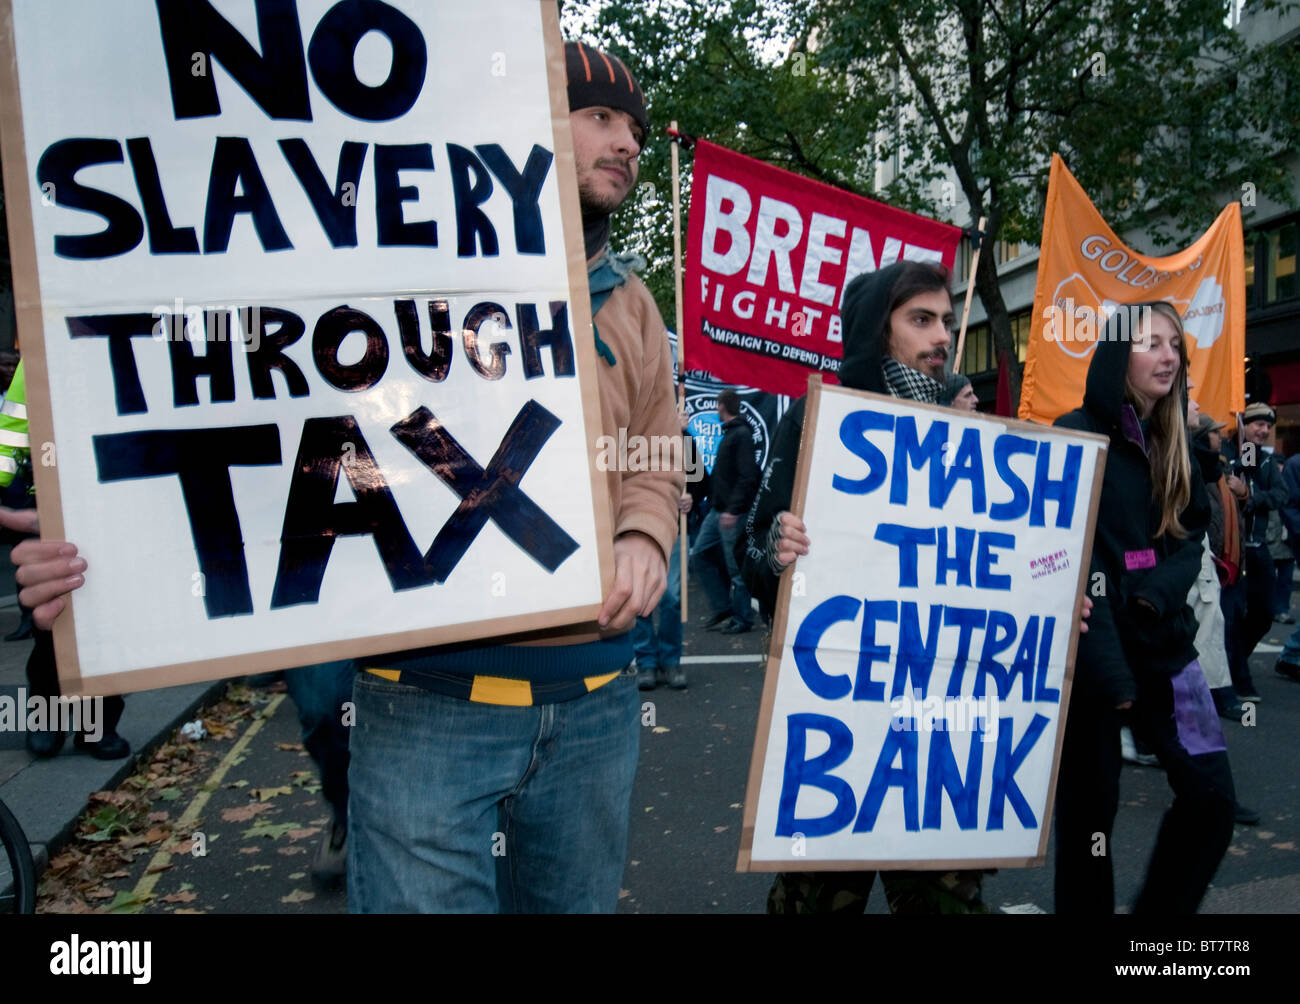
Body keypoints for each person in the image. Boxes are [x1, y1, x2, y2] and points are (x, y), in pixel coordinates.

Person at [10, 40, 683, 914]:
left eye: (632, 124)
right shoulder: (379, 284)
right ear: (518, 123)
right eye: (598, 116)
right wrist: (108, 569)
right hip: (424, 710)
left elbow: (657, 455)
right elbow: (264, 430)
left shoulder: (632, 300)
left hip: (596, 706)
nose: (626, 141)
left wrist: (644, 532)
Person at [740, 259, 998, 915]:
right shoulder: (817, 418)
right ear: (874, 330)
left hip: (940, 722)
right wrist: (778, 551)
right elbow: (751, 551)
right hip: (840, 720)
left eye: (945, 319)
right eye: (921, 319)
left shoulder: (974, 431)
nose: (942, 334)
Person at [1053, 301, 1234, 915]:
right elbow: (1075, 563)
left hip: (1169, 651)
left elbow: (1191, 537)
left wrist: (1156, 594)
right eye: (1150, 342)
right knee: (1090, 824)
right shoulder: (1073, 432)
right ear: (1114, 355)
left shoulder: (1176, 442)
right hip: (1096, 663)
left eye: (1174, 345)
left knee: (1212, 798)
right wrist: (1112, 674)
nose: (1167, 355)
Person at [0, 361, 129, 759]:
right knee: (52, 626)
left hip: (117, 504)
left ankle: (99, 726)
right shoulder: (40, 348)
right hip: (56, 509)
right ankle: (47, 720)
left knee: (108, 628)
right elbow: (10, 437)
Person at [635, 409, 708, 690]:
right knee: (642, 596)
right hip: (642, 526)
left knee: (672, 597)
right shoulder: (636, 435)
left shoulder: (684, 440)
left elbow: (702, 482)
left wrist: (691, 496)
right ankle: (646, 663)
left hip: (675, 529)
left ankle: (670, 660)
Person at [1222, 401, 1287, 702]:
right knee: (1233, 615)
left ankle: (1236, 662)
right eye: (1258, 424)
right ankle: (1238, 679)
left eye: (1268, 426)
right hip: (1232, 549)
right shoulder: (1226, 450)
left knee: (1264, 613)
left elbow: (1280, 495)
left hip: (1258, 550)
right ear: (1242, 423)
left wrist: (1251, 496)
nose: (1263, 431)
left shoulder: (1263, 461)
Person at [692, 389, 760, 635]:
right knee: (699, 553)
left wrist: (733, 510)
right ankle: (723, 607)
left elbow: (748, 476)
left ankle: (743, 618)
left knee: (735, 569)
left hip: (731, 513)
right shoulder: (732, 434)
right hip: (717, 511)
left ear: (722, 406)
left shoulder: (740, 435)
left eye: (718, 406)